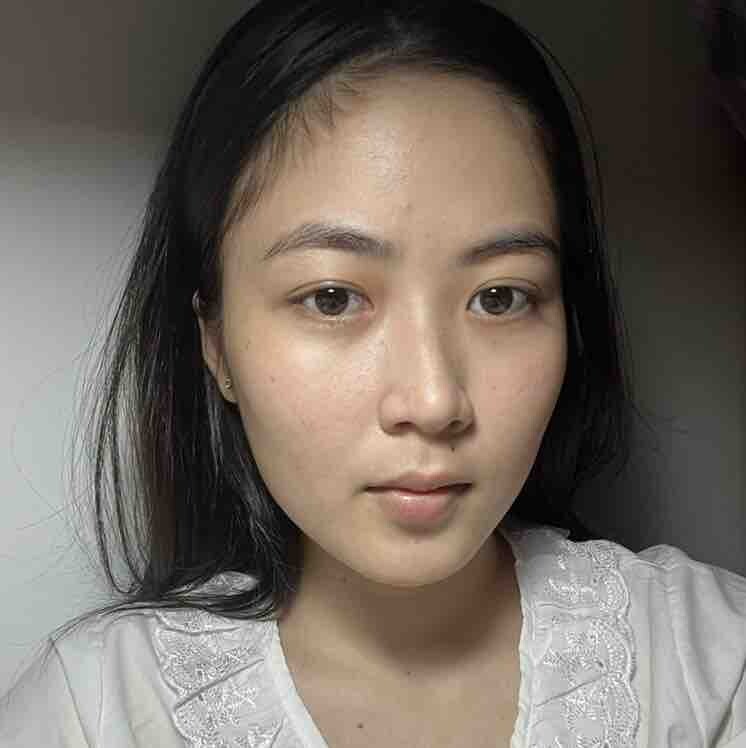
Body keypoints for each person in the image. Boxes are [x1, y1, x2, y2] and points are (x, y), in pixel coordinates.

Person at [1, 0, 745, 745]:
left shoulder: (713, 667)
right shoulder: (93, 711)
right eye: (332, 298)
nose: (433, 400)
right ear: (216, 343)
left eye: (499, 297)